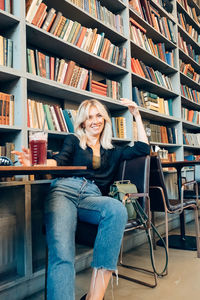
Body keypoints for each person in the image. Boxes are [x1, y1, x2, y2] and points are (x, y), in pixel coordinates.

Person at [13, 98, 150, 300]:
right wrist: (37, 163)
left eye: (98, 116)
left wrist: (136, 114)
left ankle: (94, 297)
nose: (95, 121)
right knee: (62, 251)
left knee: (116, 209)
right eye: (89, 117)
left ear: (104, 119)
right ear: (83, 123)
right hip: (63, 190)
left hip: (92, 196)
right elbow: (59, 161)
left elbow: (142, 149)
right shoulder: (73, 140)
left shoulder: (113, 151)